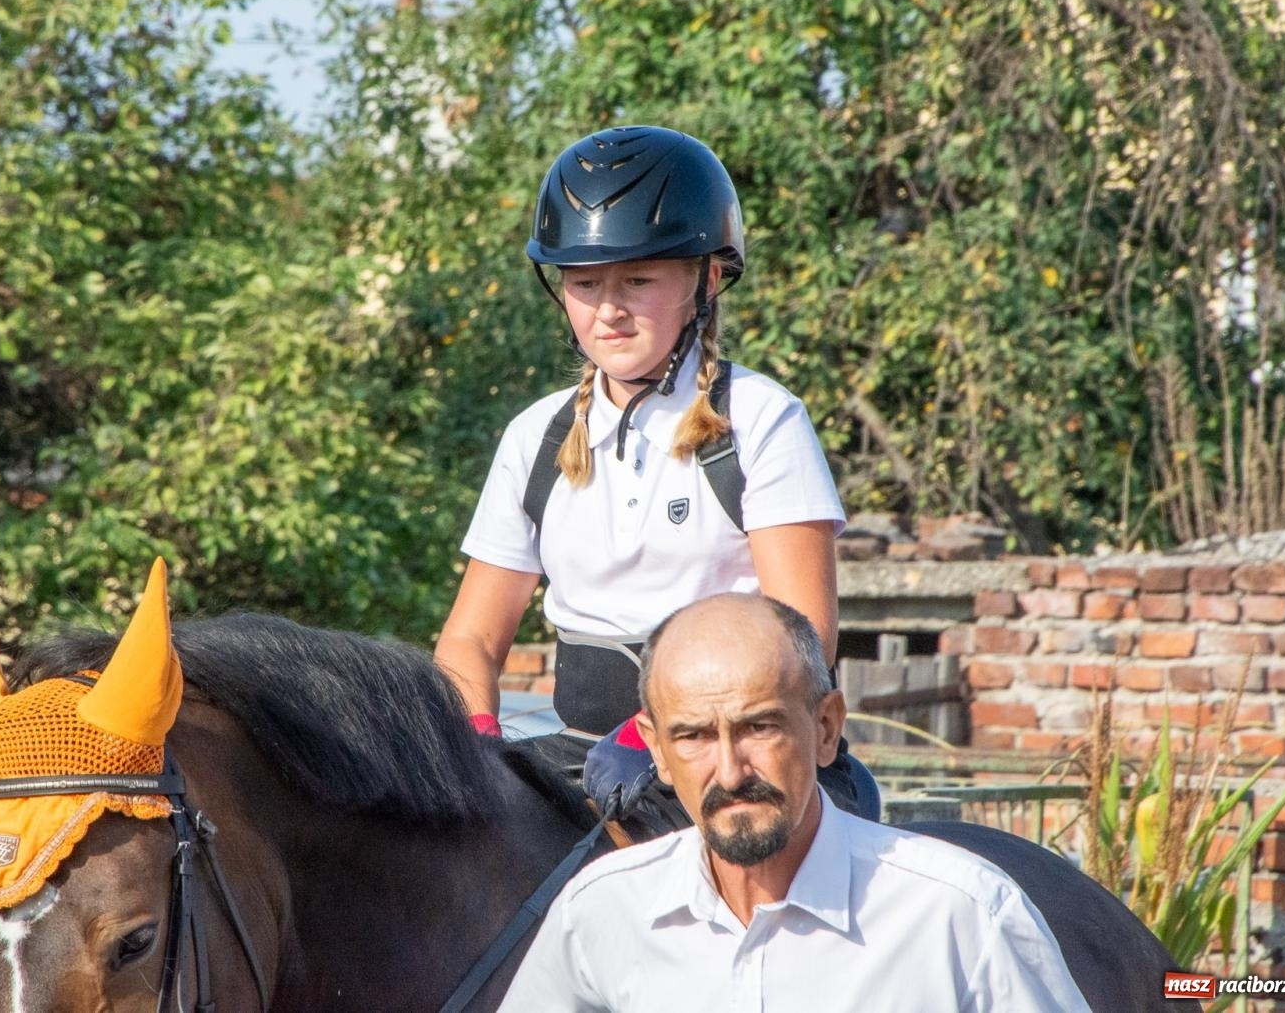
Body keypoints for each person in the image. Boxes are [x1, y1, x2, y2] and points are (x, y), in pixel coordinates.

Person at [433, 124, 861, 810]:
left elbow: (803, 633)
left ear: (706, 279)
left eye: (638, 279)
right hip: (578, 754)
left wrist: (658, 730)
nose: (608, 309)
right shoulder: (533, 437)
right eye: (585, 282)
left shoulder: (762, 419)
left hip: (731, 754)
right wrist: (478, 743)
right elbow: (472, 639)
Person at [496, 593, 1092, 1013]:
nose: (731, 772)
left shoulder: (961, 914)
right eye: (694, 736)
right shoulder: (600, 911)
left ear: (827, 728)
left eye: (760, 727)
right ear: (656, 750)